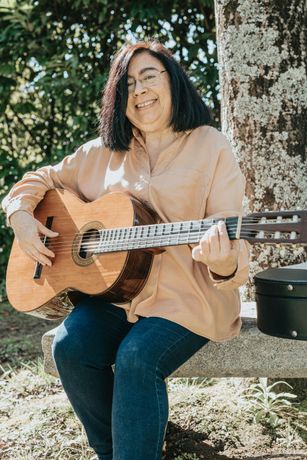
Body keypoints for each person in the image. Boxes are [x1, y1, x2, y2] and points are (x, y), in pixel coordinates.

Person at [2, 40, 249, 460]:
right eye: (128, 84)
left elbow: (232, 259)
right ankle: (115, 451)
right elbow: (38, 179)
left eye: (149, 76)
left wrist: (221, 259)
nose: (139, 90)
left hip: (187, 297)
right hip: (117, 294)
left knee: (137, 356)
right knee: (70, 347)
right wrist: (20, 216)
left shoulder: (211, 146)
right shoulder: (101, 154)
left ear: (173, 82)